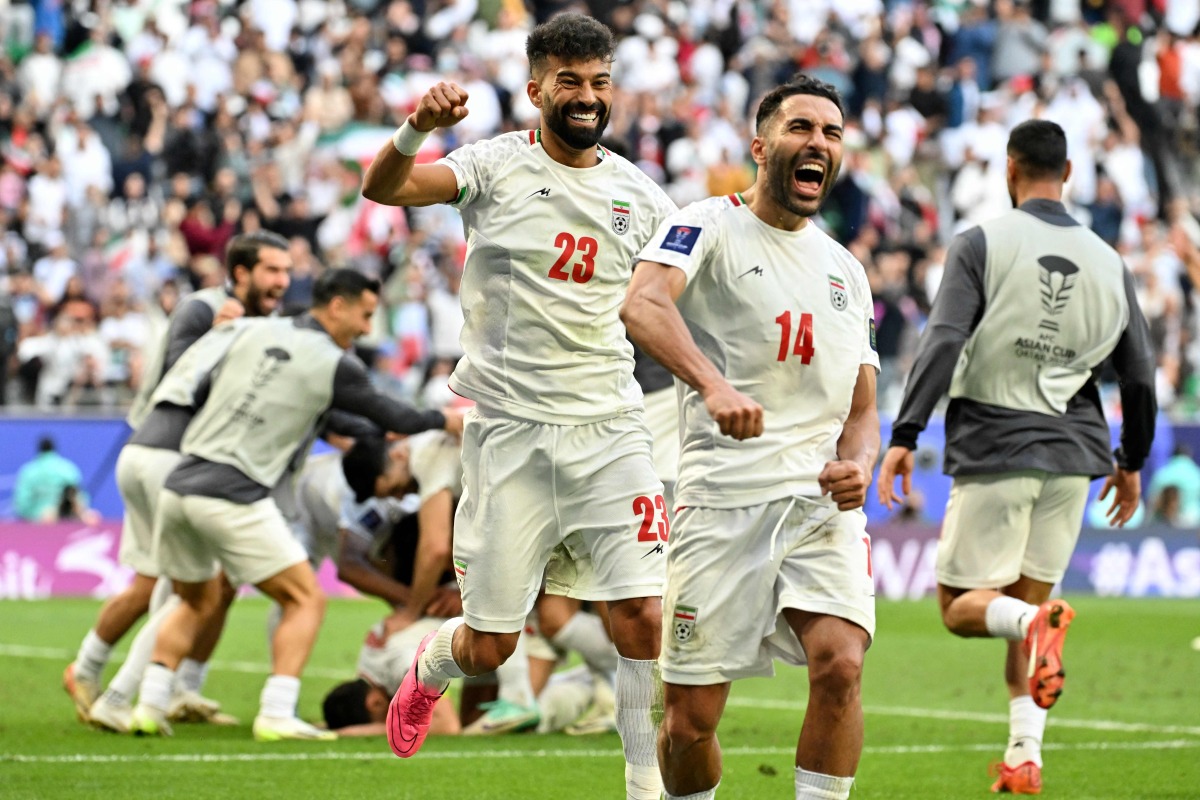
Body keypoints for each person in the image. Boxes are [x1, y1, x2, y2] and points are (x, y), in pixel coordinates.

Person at [360, 14, 676, 797]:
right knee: (492, 645)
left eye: (599, 82)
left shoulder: (642, 196)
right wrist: (414, 130)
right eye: (569, 81)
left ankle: (643, 784)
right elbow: (385, 188)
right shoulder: (493, 165)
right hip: (512, 437)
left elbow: (674, 301)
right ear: (536, 87)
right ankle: (433, 662)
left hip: (612, 428)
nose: (586, 96)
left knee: (641, 612)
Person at [877, 119, 1156, 795]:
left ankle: (1035, 622)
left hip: (999, 443)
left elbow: (942, 340)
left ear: (1010, 169)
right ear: (1067, 174)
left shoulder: (981, 242)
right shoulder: (1108, 261)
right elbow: (1141, 376)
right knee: (1027, 615)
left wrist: (905, 434)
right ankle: (1024, 758)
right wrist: (1131, 458)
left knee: (960, 607)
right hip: (1075, 458)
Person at [621, 74, 880, 800]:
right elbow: (642, 303)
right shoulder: (706, 223)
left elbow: (862, 407)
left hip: (818, 507)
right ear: (761, 146)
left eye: (832, 133)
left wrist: (858, 463)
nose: (818, 144)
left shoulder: (846, 271)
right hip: (722, 504)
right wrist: (712, 382)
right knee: (689, 723)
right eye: (802, 128)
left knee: (841, 664)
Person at [128, 268, 462, 741]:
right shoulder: (332, 362)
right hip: (233, 490)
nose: (368, 328)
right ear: (337, 306)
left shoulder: (256, 330)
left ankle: (148, 704)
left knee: (194, 599)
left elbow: (196, 386)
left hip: (179, 485)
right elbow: (389, 413)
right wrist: (443, 420)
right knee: (305, 598)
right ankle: (277, 710)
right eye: (365, 315)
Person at [70, 231, 291, 732]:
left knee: (163, 583)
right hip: (171, 455)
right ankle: (130, 692)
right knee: (194, 593)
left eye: (286, 271)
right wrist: (224, 335)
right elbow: (180, 376)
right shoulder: (202, 309)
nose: (283, 280)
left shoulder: (264, 322)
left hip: (165, 459)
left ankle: (105, 675)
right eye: (272, 270)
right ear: (240, 273)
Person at [12, 437, 95, 523]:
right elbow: (81, 498)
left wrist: (33, 517)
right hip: (65, 523)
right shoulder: (68, 469)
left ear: (39, 450)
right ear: (54, 449)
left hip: (38, 524)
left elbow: (21, 504)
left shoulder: (28, 471)